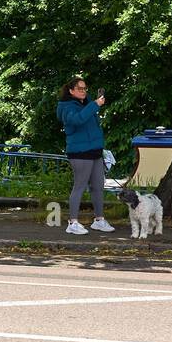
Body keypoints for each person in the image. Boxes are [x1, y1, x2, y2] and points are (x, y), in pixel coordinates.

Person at [56, 76, 115, 235]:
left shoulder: (86, 103)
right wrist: (94, 104)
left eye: (85, 88)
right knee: (80, 186)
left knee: (98, 187)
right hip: (79, 153)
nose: (83, 91)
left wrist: (93, 104)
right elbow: (78, 120)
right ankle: (72, 223)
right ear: (71, 91)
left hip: (94, 150)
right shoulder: (67, 107)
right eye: (80, 89)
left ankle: (99, 220)